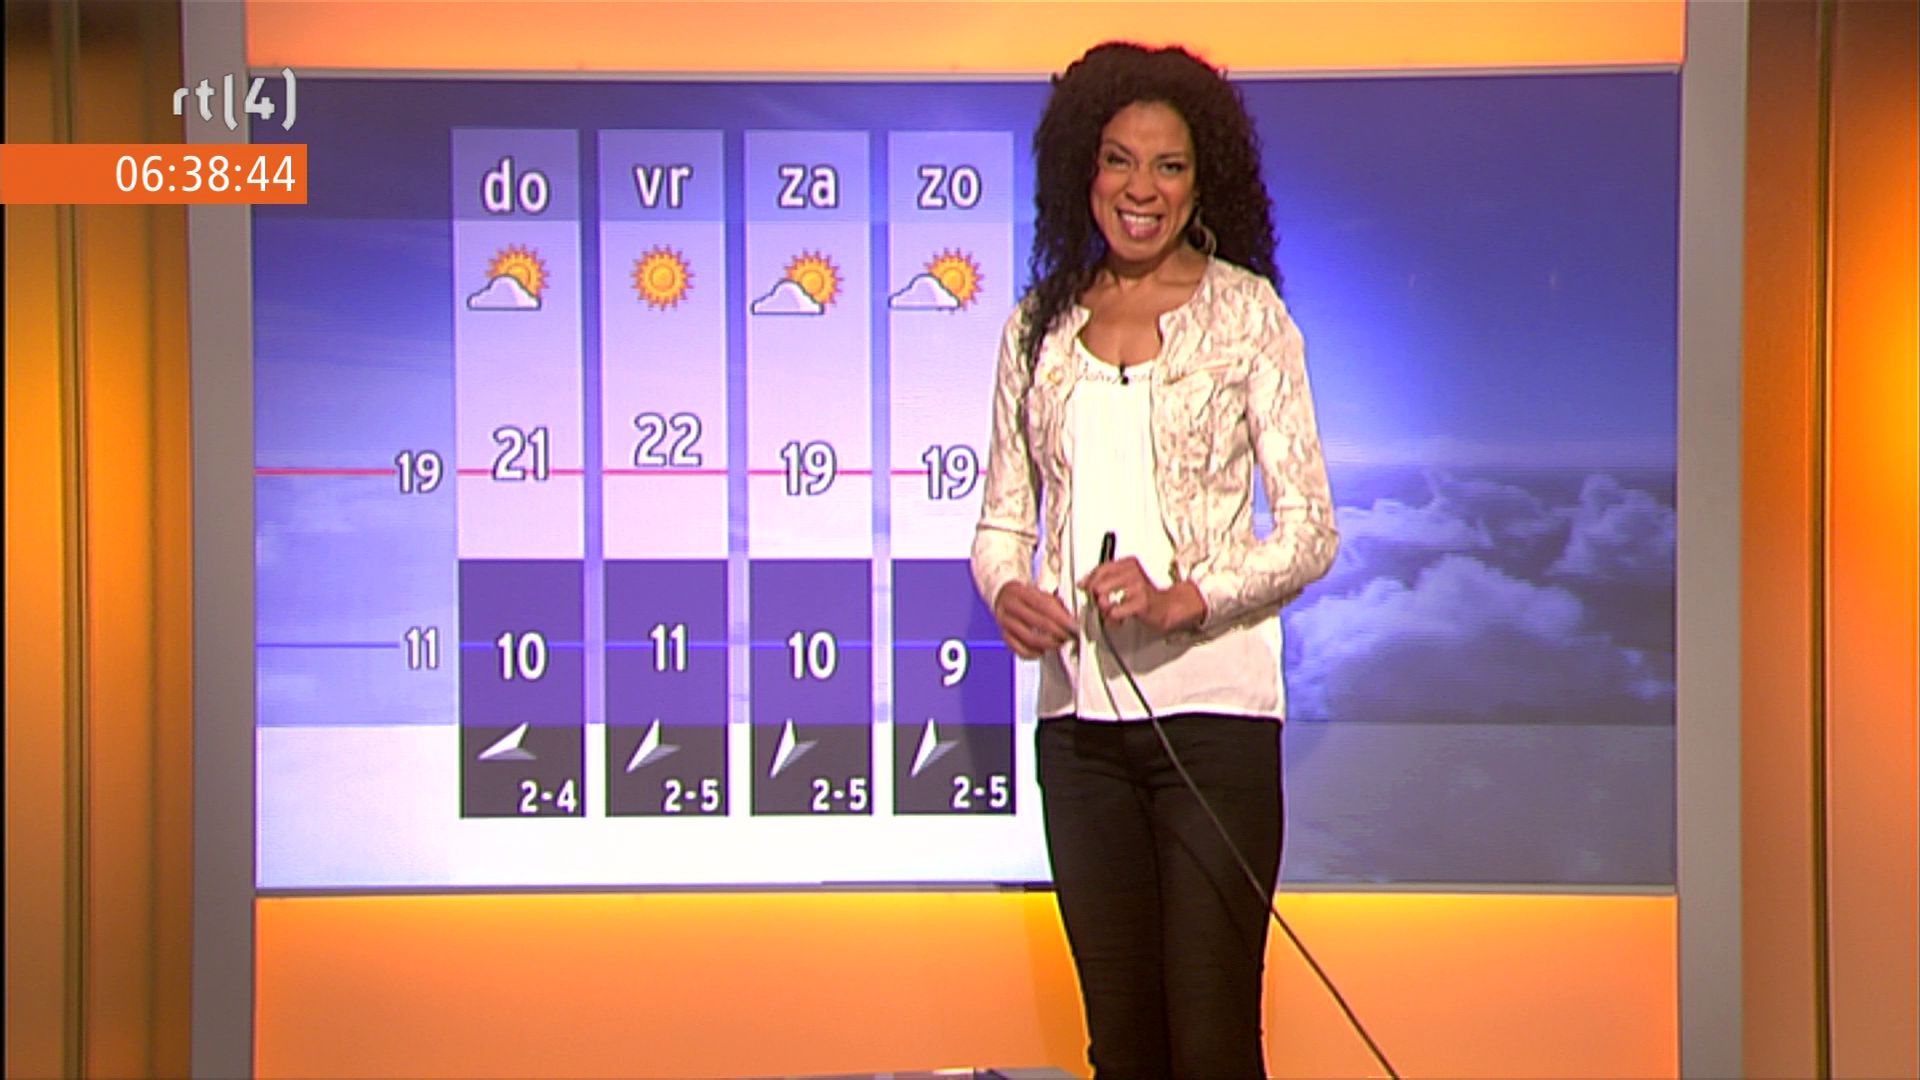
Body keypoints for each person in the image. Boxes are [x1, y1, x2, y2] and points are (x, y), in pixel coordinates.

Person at [970, 42, 1338, 1078]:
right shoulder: (1038, 330)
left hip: (1213, 729)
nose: (1142, 189)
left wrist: (1189, 599)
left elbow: (1309, 528)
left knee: (1212, 1045)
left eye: (1168, 166)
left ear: (1199, 180)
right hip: (1078, 741)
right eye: (1119, 161)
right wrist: (1007, 590)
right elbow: (1002, 520)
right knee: (1124, 1047)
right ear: (1082, 172)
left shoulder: (1247, 317)